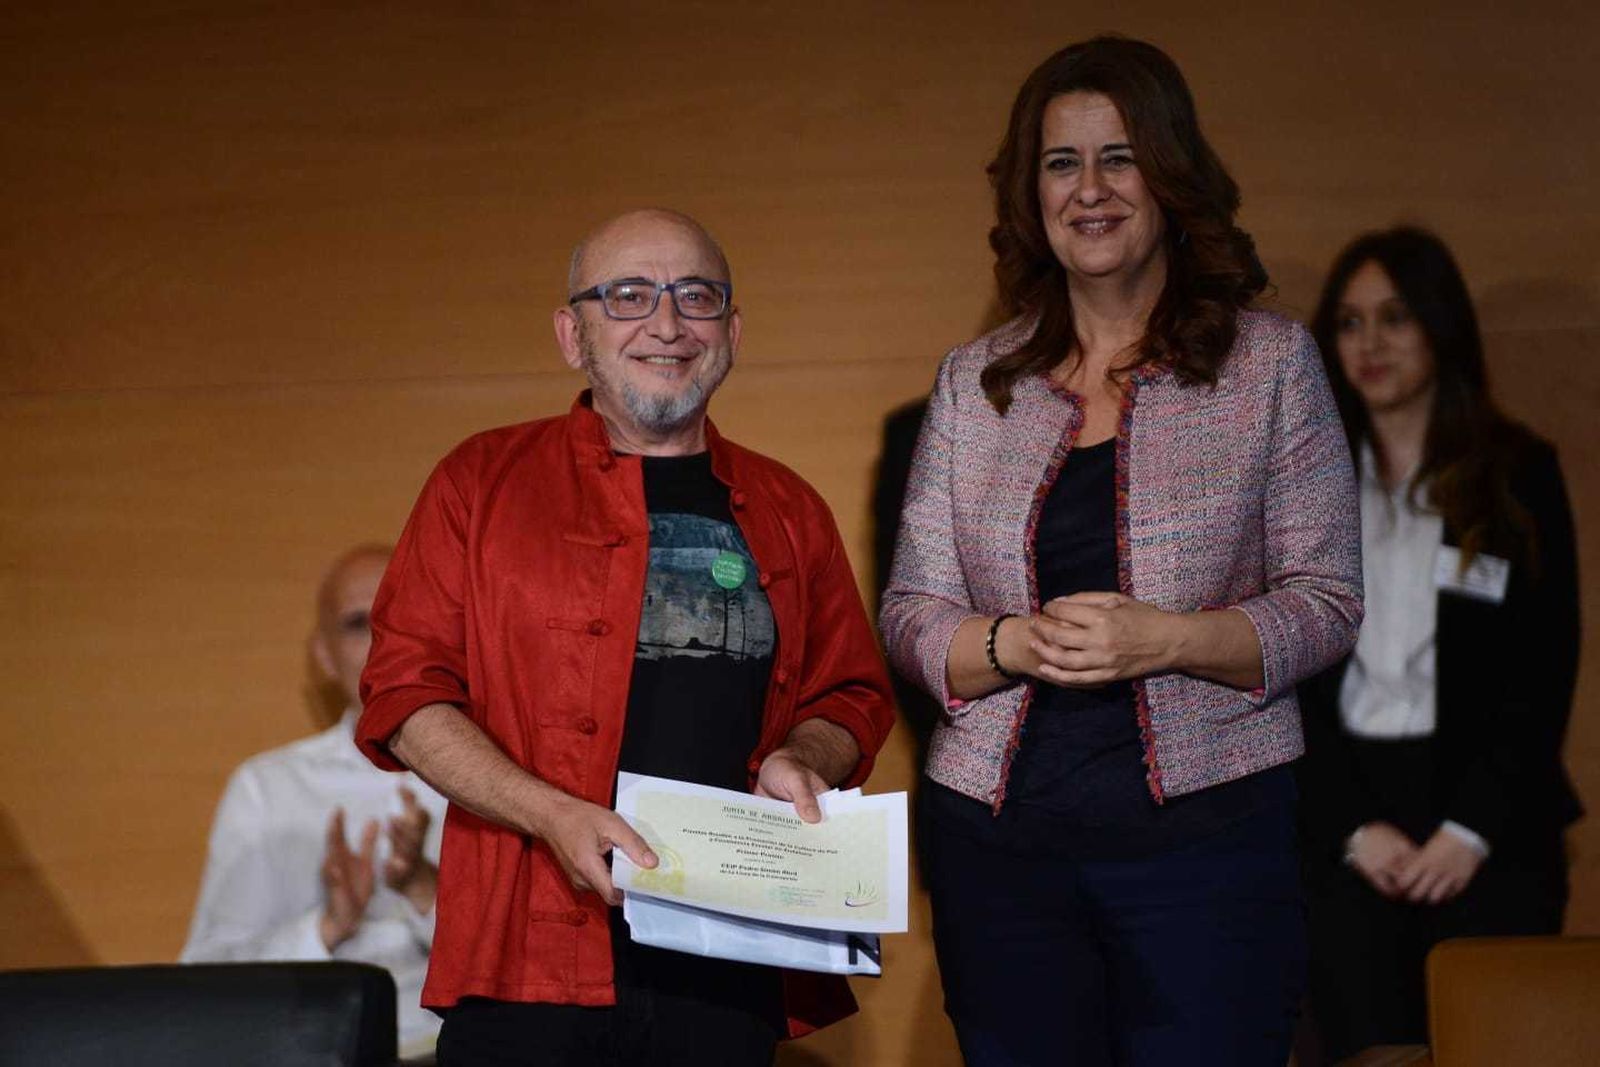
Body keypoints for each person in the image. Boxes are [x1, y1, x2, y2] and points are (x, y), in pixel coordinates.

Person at [878, 36, 1363, 1067]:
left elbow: (1326, 603)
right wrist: (1011, 643)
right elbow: (911, 612)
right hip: (998, 854)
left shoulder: (1270, 363)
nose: (1089, 189)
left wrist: (1166, 640)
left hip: (1210, 850)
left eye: (1119, 157)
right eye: (1062, 162)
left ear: (1169, 174)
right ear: (1031, 191)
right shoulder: (973, 381)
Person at [354, 208, 895, 1067]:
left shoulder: (790, 508)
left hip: (728, 958)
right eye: (629, 295)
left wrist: (806, 755)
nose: (667, 324)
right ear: (573, 335)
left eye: (696, 296)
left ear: (732, 332)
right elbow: (405, 694)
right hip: (525, 956)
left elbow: (849, 694)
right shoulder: (479, 483)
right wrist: (551, 813)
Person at [1297, 226, 1583, 1059]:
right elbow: (1287, 672)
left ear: (1440, 326)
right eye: (1349, 322)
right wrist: (1352, 826)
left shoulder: (1516, 474)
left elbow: (1544, 666)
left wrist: (1471, 830)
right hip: (1348, 820)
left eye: (1395, 317)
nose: (1370, 343)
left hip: (1490, 820)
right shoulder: (1304, 483)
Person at [182, 543, 449, 1053]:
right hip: (316, 1050)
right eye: (358, 624)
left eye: (401, 616)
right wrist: (327, 927)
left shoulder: (500, 777)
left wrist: (423, 887)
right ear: (324, 656)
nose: (384, 640)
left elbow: (540, 969)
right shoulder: (269, 788)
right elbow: (206, 982)